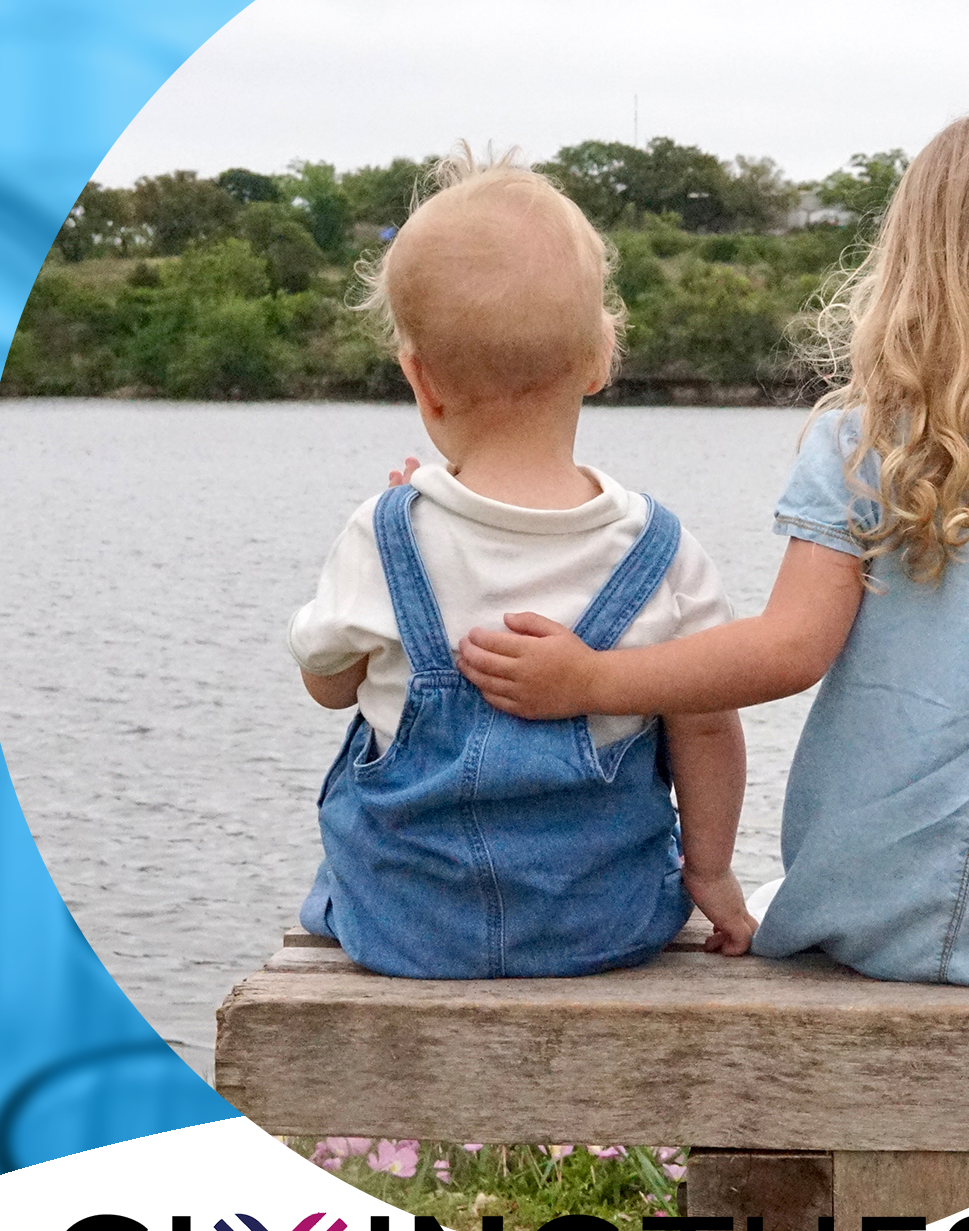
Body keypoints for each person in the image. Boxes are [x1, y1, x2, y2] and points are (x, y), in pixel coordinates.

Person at [453, 109, 969, 989]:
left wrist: (594, 681)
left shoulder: (863, 449)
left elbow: (789, 651)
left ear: (914, 274)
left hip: (874, 917)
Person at [286, 148, 757, 978]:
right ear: (601, 359)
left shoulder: (382, 532)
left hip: (405, 929)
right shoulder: (661, 549)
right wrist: (711, 872)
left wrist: (403, 557)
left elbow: (329, 688)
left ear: (421, 382)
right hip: (604, 926)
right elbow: (708, 723)